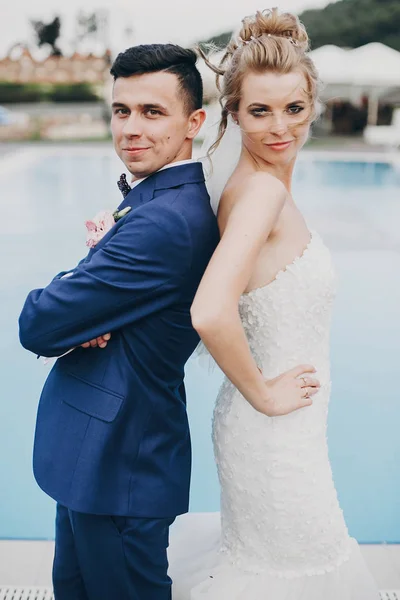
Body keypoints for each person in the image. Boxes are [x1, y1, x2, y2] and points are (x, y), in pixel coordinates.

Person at [168, 9, 380, 599]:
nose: (280, 126)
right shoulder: (260, 193)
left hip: (286, 433)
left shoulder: (259, 186)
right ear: (234, 113)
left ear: (313, 103)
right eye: (259, 110)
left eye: (294, 107)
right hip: (275, 437)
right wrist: (263, 391)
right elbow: (210, 310)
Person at [18, 43, 220, 600]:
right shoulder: (154, 200)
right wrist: (86, 303)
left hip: (122, 461)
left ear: (193, 122)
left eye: (152, 112)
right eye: (121, 110)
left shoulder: (167, 220)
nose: (131, 127)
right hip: (96, 456)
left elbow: (38, 323)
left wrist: (70, 303)